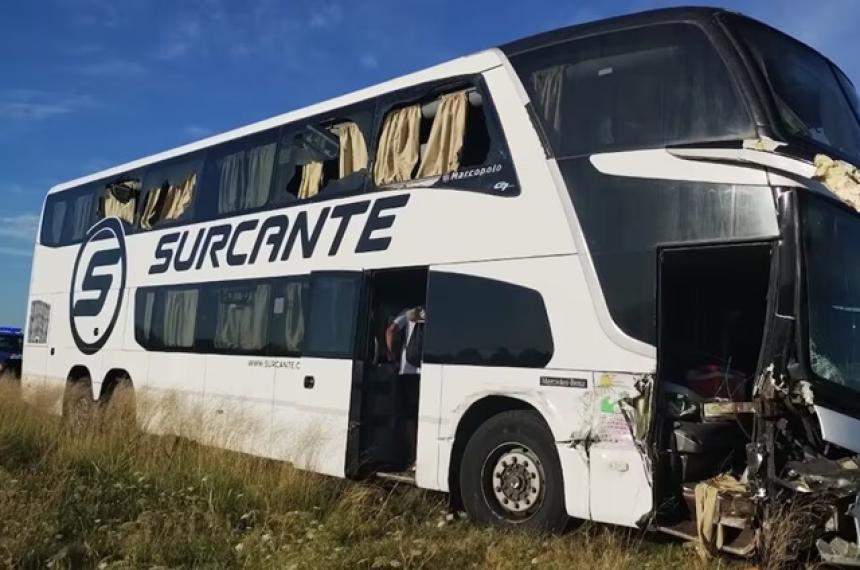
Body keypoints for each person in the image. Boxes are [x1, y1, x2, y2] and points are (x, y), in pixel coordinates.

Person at [385, 305, 425, 375]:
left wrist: (391, 357)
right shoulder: (435, 313)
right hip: (427, 368)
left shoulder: (408, 311)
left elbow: (390, 331)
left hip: (407, 368)